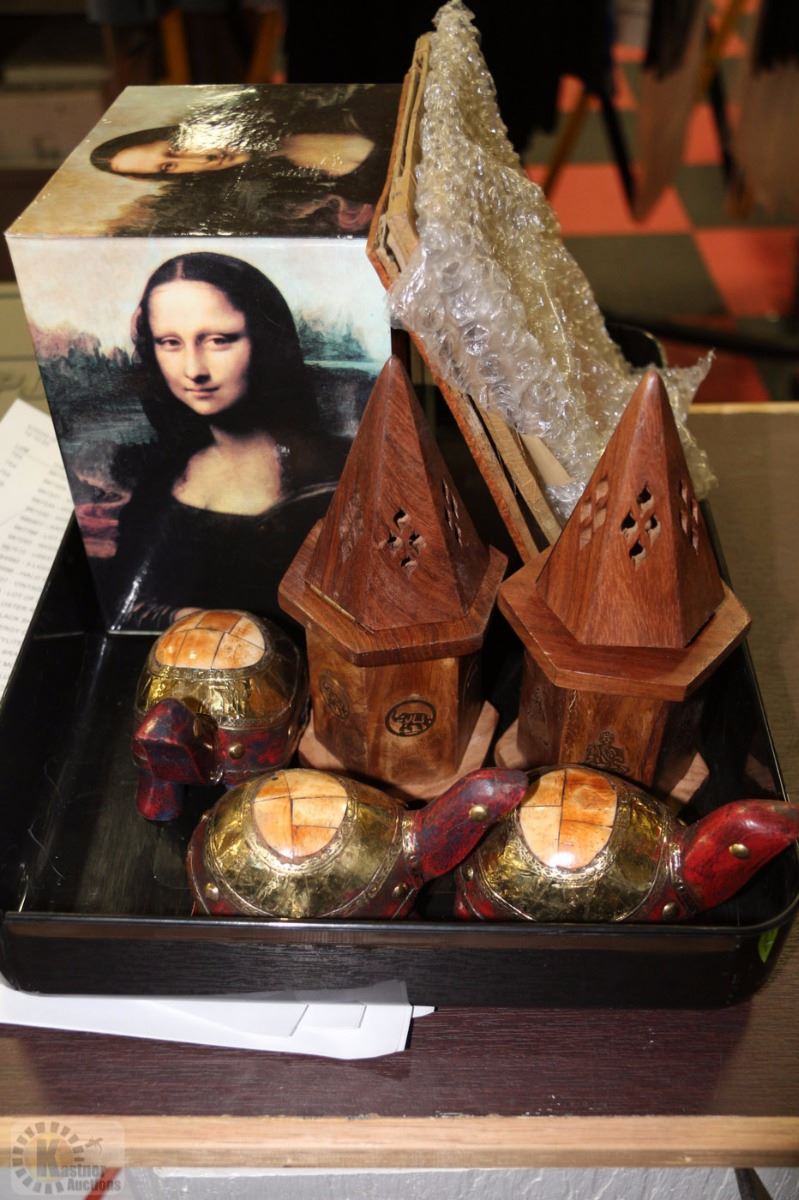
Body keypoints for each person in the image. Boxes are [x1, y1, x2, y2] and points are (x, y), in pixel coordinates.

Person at [112, 251, 347, 629]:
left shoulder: (340, 471)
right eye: (170, 342)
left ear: (265, 341)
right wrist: (187, 620)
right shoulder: (158, 485)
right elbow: (130, 605)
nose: (194, 370)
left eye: (219, 340)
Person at [89, 85, 397, 236]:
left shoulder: (309, 105)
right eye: (169, 166)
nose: (201, 158)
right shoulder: (273, 207)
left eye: (175, 146)